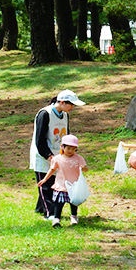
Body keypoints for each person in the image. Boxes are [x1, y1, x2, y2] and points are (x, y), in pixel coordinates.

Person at [30, 90, 85, 220]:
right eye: (70, 104)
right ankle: (50, 214)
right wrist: (49, 156)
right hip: (43, 154)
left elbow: (66, 136)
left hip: (58, 154)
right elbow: (40, 140)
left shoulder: (65, 115)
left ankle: (40, 207)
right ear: (61, 102)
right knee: (45, 185)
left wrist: (67, 154)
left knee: (55, 182)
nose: (72, 107)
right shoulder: (45, 114)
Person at [37, 135, 88, 228]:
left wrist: (84, 168)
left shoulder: (78, 158)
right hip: (61, 185)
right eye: (68, 148)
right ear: (62, 147)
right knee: (58, 204)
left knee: (73, 203)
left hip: (74, 185)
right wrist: (44, 179)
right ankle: (56, 219)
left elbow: (85, 169)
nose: (70, 151)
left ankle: (74, 216)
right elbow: (52, 170)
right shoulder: (57, 158)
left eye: (73, 149)